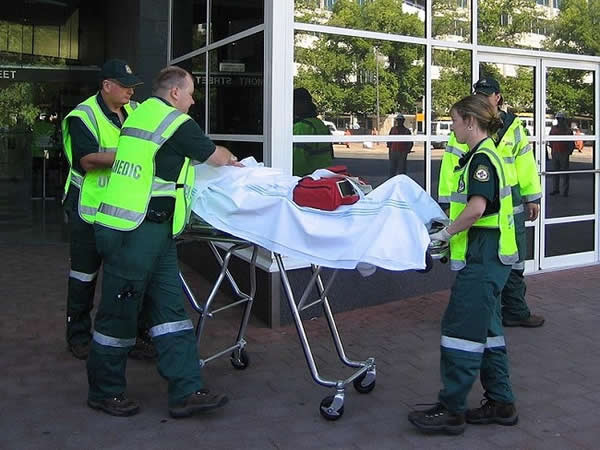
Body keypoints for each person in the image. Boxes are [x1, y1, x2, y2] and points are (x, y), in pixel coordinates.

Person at [87, 66, 240, 418]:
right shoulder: (174, 121)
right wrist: (233, 159)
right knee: (119, 312)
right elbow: (215, 156)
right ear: (174, 94)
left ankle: (187, 389)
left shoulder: (143, 115)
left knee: (171, 310)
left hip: (151, 231)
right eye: (190, 93)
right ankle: (104, 390)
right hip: (132, 231)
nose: (193, 99)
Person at [409, 95, 519, 435]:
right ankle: (502, 403)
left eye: (454, 120)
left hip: (484, 259)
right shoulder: (480, 156)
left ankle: (452, 409)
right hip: (489, 256)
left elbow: (475, 208)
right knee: (487, 333)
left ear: (471, 122)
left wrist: (445, 233)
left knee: (459, 331)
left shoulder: (482, 159)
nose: (451, 127)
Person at [62, 59, 157, 360]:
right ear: (106, 86)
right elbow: (87, 160)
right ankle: (78, 336)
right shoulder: (83, 116)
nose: (130, 91)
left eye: (132, 86)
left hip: (123, 208)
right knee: (84, 275)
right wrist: (134, 155)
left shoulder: (134, 111)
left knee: (128, 274)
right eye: (125, 86)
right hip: (87, 208)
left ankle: (128, 334)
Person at [438, 77, 544, 328]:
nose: (483, 98)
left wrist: (532, 197)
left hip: (509, 201)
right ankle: (490, 314)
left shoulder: (512, 126)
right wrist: (446, 202)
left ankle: (513, 309)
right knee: (487, 261)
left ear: (498, 97)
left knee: (513, 258)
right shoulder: (466, 123)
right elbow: (450, 165)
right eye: (479, 93)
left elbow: (525, 163)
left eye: (487, 94)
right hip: (479, 205)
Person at [292, 87, 333, 176]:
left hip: (307, 177)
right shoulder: (319, 123)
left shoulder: (301, 127)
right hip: (324, 174)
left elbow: (297, 160)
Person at [549, 112, 574, 197]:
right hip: (555, 152)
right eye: (558, 119)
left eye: (560, 119)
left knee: (565, 172)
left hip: (564, 152)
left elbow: (571, 142)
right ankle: (556, 189)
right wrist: (552, 149)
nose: (559, 121)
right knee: (555, 172)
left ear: (563, 120)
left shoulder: (568, 130)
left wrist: (569, 152)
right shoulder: (553, 129)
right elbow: (550, 139)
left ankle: (565, 191)